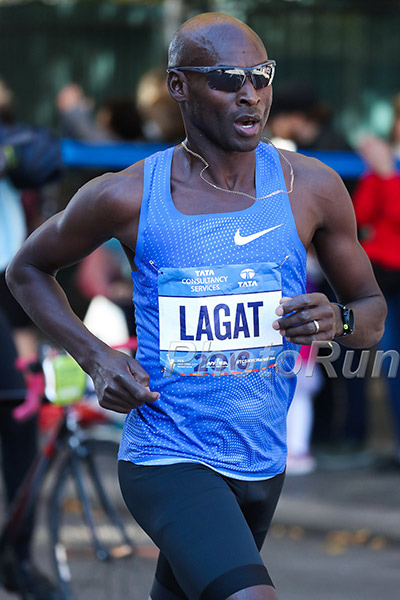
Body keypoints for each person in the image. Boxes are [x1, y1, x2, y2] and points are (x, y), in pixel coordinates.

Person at [6, 13, 386, 600]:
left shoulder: (309, 186)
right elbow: (26, 269)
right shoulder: (128, 193)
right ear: (178, 85)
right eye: (227, 79)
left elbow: (370, 311)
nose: (250, 96)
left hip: (262, 461)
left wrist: (338, 321)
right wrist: (96, 357)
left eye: (261, 77)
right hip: (168, 454)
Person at [0, 79, 62, 600]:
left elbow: (41, 157)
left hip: (6, 282)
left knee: (18, 412)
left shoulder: (13, 145)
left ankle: (16, 558)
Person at [353, 125, 400, 468]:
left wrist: (386, 177)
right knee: (392, 364)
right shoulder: (380, 169)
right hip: (387, 282)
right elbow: (360, 216)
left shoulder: (385, 171)